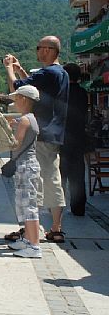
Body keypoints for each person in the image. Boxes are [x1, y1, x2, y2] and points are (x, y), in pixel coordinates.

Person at [4, 36, 69, 243]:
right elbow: (37, 90)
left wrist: (9, 68)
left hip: (39, 133)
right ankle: (56, 228)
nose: (37, 50)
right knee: (52, 179)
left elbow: (18, 89)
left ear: (49, 50)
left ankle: (31, 230)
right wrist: (22, 69)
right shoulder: (61, 73)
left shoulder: (48, 72)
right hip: (55, 132)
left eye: (39, 47)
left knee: (33, 182)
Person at [5, 85, 43, 258]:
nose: (15, 102)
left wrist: (7, 131)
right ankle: (28, 240)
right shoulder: (31, 118)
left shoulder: (24, 120)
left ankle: (34, 245)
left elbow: (16, 143)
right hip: (29, 165)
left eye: (17, 98)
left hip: (25, 165)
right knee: (25, 203)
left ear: (24, 99)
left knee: (28, 206)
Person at [60, 63, 88, 216]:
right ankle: (79, 208)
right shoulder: (83, 93)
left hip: (63, 138)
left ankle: (58, 207)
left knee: (60, 175)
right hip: (79, 138)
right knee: (78, 175)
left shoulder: (62, 92)